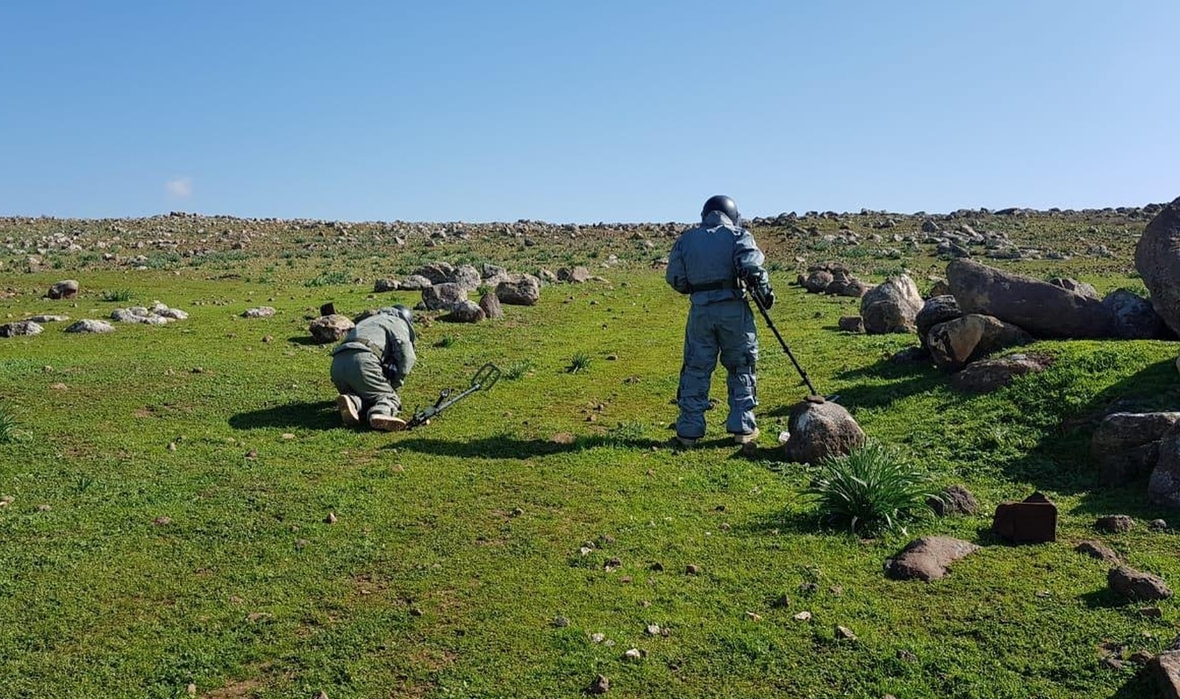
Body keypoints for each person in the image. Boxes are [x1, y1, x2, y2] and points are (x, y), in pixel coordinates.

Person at [665, 195, 774, 447]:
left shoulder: (686, 240)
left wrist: (699, 288)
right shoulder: (739, 235)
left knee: (696, 368)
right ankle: (742, 427)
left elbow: (675, 278)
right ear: (733, 214)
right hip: (734, 310)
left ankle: (689, 431)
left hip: (701, 312)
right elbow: (753, 268)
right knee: (741, 365)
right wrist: (766, 295)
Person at [330, 305, 417, 431]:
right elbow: (406, 356)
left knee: (370, 395)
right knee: (389, 397)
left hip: (337, 364)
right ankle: (381, 413)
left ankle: (352, 400)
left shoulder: (367, 321)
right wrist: (395, 384)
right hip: (362, 361)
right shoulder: (397, 322)